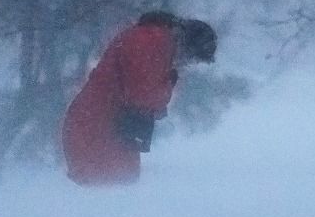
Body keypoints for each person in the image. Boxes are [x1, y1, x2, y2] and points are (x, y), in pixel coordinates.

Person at [61, 11, 217, 186]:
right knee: (109, 192)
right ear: (186, 44)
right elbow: (143, 95)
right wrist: (169, 83)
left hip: (106, 127)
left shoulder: (153, 41)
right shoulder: (151, 42)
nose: (186, 64)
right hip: (96, 128)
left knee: (117, 192)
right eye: (191, 59)